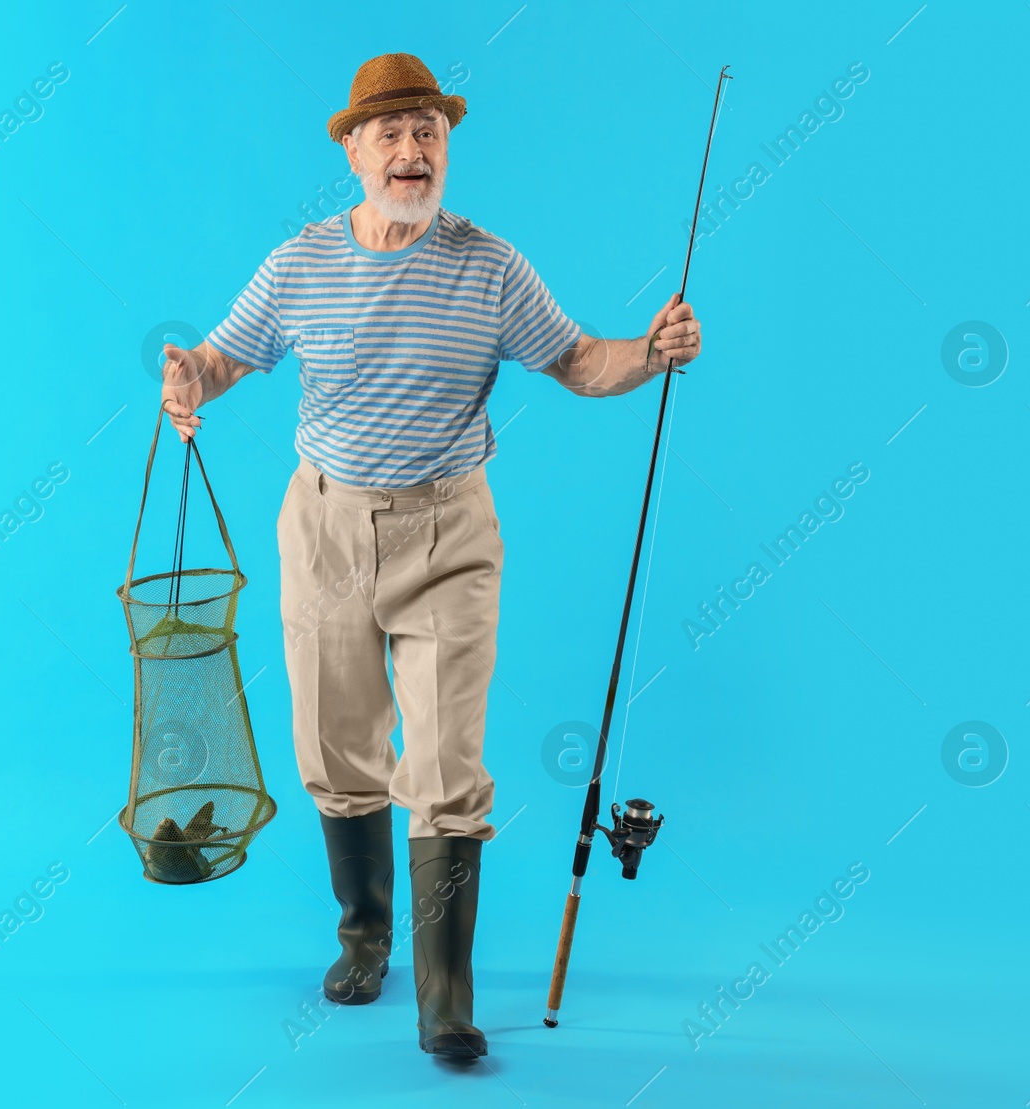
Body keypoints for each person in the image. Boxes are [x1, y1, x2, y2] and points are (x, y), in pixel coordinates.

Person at [160, 52, 703, 1059]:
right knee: (336, 748)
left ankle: (444, 999)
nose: (412, 151)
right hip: (323, 528)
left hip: (449, 534)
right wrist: (190, 373)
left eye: (430, 133)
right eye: (392, 133)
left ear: (445, 148)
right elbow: (226, 356)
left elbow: (581, 360)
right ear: (354, 150)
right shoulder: (299, 264)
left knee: (447, 760)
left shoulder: (490, 266)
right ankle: (364, 937)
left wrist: (650, 349)